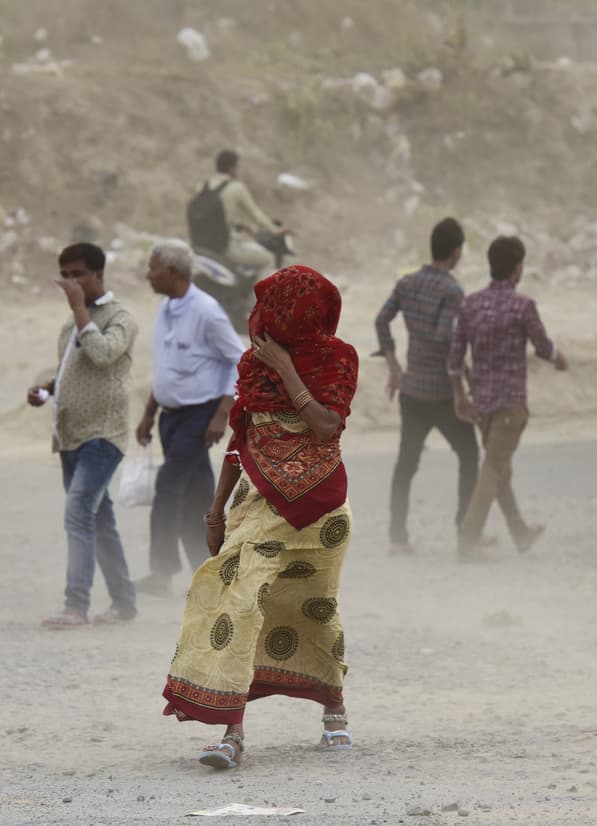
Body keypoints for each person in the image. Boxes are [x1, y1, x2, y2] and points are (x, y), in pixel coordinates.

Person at [162, 264, 358, 770]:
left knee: (315, 606)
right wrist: (215, 510)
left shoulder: (339, 359)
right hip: (258, 505)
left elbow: (324, 425)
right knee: (241, 603)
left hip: (322, 511)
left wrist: (287, 368)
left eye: (275, 308)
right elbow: (241, 439)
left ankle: (334, 712)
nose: (262, 317)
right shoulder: (252, 365)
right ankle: (232, 732)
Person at [27, 243, 138, 628]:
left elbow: (105, 354)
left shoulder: (120, 317)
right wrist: (45, 391)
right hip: (70, 436)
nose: (71, 283)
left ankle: (76, 605)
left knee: (77, 513)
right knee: (98, 518)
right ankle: (124, 603)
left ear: (98, 276)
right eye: (66, 276)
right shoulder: (68, 327)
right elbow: (69, 371)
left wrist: (78, 312)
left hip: (103, 435)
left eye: (78, 275)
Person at [135, 240, 245, 596]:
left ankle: (161, 573)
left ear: (173, 272)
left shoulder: (206, 311)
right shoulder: (167, 308)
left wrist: (222, 415)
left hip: (200, 416)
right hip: (171, 416)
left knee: (168, 487)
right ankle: (213, 572)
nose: (148, 274)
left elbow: (239, 360)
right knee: (200, 499)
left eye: (153, 268)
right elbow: (166, 368)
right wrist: (149, 413)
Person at [449, 236, 567, 561]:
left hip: (482, 405)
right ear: (517, 269)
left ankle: (519, 532)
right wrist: (560, 359)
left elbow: (455, 358)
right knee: (492, 471)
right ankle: (468, 540)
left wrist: (460, 396)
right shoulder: (522, 306)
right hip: (510, 404)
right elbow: (543, 347)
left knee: (500, 470)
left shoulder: (470, 304)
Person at [375, 217, 479, 555]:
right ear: (456, 252)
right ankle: (466, 530)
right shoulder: (452, 291)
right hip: (441, 393)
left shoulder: (407, 283)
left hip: (412, 388)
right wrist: (463, 381)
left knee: (406, 464)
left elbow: (381, 320)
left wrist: (394, 366)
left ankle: (397, 537)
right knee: (469, 453)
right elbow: (444, 339)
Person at [199, 149, 286, 273]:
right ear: (232, 168)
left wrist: (243, 226)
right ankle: (255, 293)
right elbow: (256, 215)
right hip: (224, 247)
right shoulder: (237, 188)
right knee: (268, 259)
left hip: (201, 244)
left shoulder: (203, 186)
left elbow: (216, 216)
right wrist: (276, 230)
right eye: (237, 166)